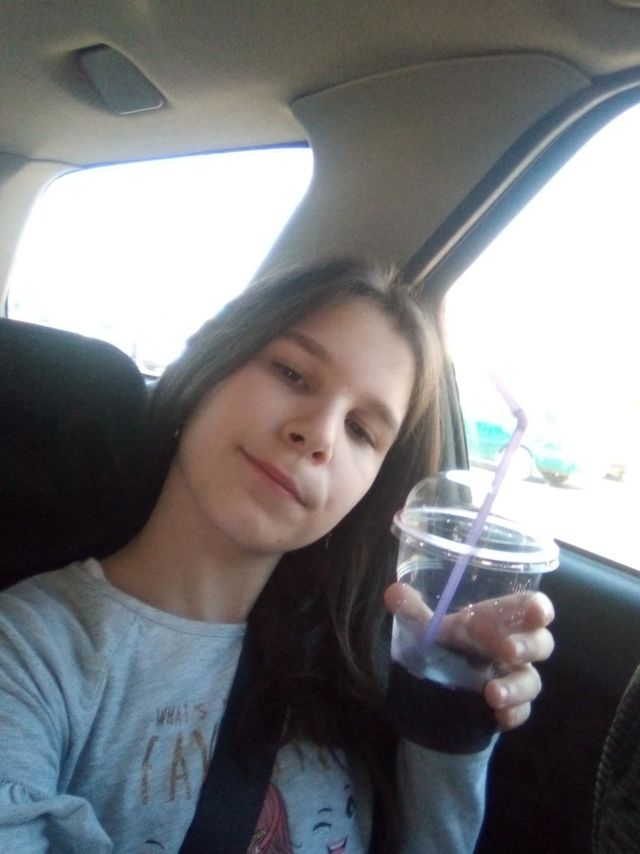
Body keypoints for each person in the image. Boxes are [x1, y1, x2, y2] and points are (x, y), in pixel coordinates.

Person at [0, 259, 555, 853]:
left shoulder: (354, 661)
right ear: (210, 366)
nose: (319, 434)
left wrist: (449, 728)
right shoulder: (31, 652)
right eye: (292, 373)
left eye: (361, 430)